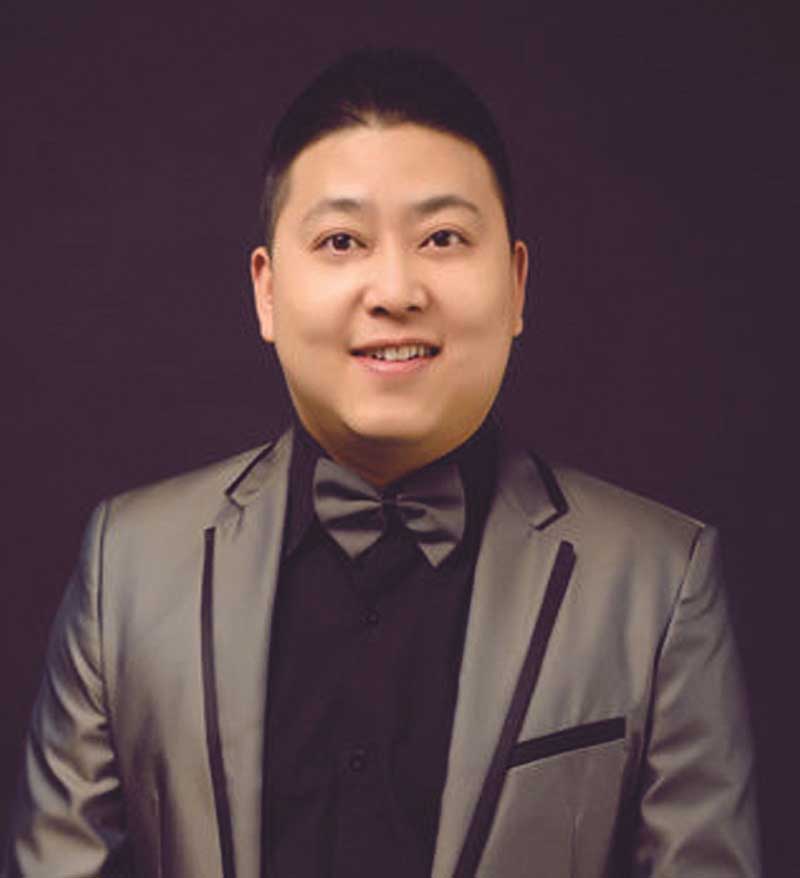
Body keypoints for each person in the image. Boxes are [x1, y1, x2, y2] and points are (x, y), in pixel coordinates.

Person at [4, 48, 760, 878]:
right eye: (341, 241)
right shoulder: (129, 567)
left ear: (515, 284)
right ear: (266, 290)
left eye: (443, 238)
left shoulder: (657, 583)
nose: (395, 289)